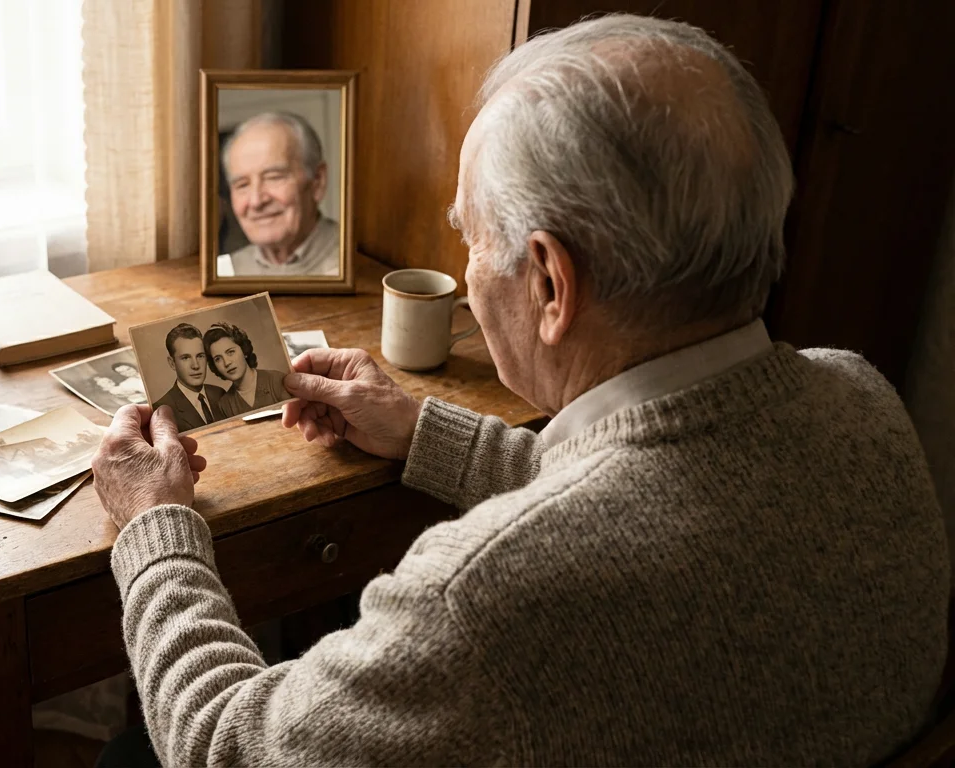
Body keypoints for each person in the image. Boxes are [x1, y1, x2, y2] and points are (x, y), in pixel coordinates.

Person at [91, 14, 949, 767]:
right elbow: (653, 492)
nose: (467, 273)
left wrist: (156, 527)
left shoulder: (481, 597)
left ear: (549, 282)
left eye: (470, 235)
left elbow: (225, 747)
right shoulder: (861, 399)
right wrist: (424, 430)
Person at [221, 112, 341, 277]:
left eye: (274, 178)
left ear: (317, 181)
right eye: (242, 185)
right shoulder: (225, 272)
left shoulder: (360, 262)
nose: (256, 201)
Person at [150, 323, 227, 432]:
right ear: (172, 363)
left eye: (200, 356)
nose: (195, 365)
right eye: (185, 358)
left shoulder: (219, 394)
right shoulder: (162, 410)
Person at [203, 322, 290, 417]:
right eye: (218, 359)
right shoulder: (225, 404)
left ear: (244, 351)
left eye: (230, 352)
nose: (227, 362)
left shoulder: (276, 380)